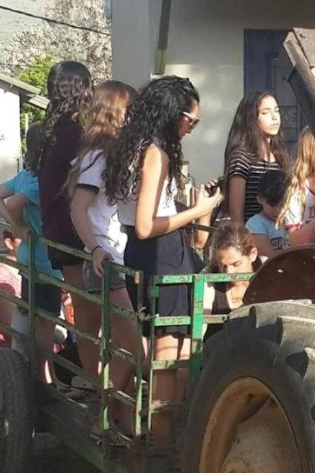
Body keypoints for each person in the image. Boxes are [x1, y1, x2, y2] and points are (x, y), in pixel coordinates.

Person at [103, 75, 222, 446]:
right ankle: (160, 442)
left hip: (140, 255)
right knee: (169, 357)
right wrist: (200, 210)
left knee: (154, 351)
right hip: (162, 256)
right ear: (173, 114)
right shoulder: (156, 153)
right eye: (191, 120)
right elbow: (146, 225)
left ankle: (118, 423)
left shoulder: (129, 146)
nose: (191, 127)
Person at [67, 80, 144, 434]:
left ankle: (118, 417)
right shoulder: (97, 158)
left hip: (114, 258)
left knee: (120, 345)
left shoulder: (108, 156)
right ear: (115, 113)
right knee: (136, 349)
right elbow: (78, 208)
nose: (133, 118)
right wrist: (96, 249)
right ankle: (106, 416)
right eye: (129, 111)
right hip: (106, 262)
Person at [32, 60, 97, 375]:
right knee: (89, 316)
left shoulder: (50, 131)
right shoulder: (75, 133)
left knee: (85, 313)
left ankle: (90, 379)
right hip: (74, 233)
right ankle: (97, 383)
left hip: (56, 230)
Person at [0, 124, 64, 382]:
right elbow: (14, 203)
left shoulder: (24, 175)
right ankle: (46, 378)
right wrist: (17, 223)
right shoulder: (41, 181)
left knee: (35, 317)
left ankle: (42, 374)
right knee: (46, 324)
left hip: (29, 257)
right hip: (46, 262)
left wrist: (15, 225)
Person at [222, 91, 289, 224]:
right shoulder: (242, 158)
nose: (274, 117)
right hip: (252, 232)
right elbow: (236, 212)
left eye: (276, 111)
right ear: (252, 118)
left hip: (279, 232)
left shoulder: (280, 155)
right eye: (265, 112)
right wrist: (242, 237)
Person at [246, 169, 315, 259]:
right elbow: (268, 257)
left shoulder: (293, 220)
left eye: (283, 205)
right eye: (272, 204)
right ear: (260, 199)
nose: (278, 210)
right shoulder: (255, 224)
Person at [201, 222, 261, 340]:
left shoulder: (267, 277)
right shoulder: (208, 281)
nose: (229, 272)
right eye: (223, 266)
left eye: (236, 264)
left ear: (252, 254)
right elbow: (199, 332)